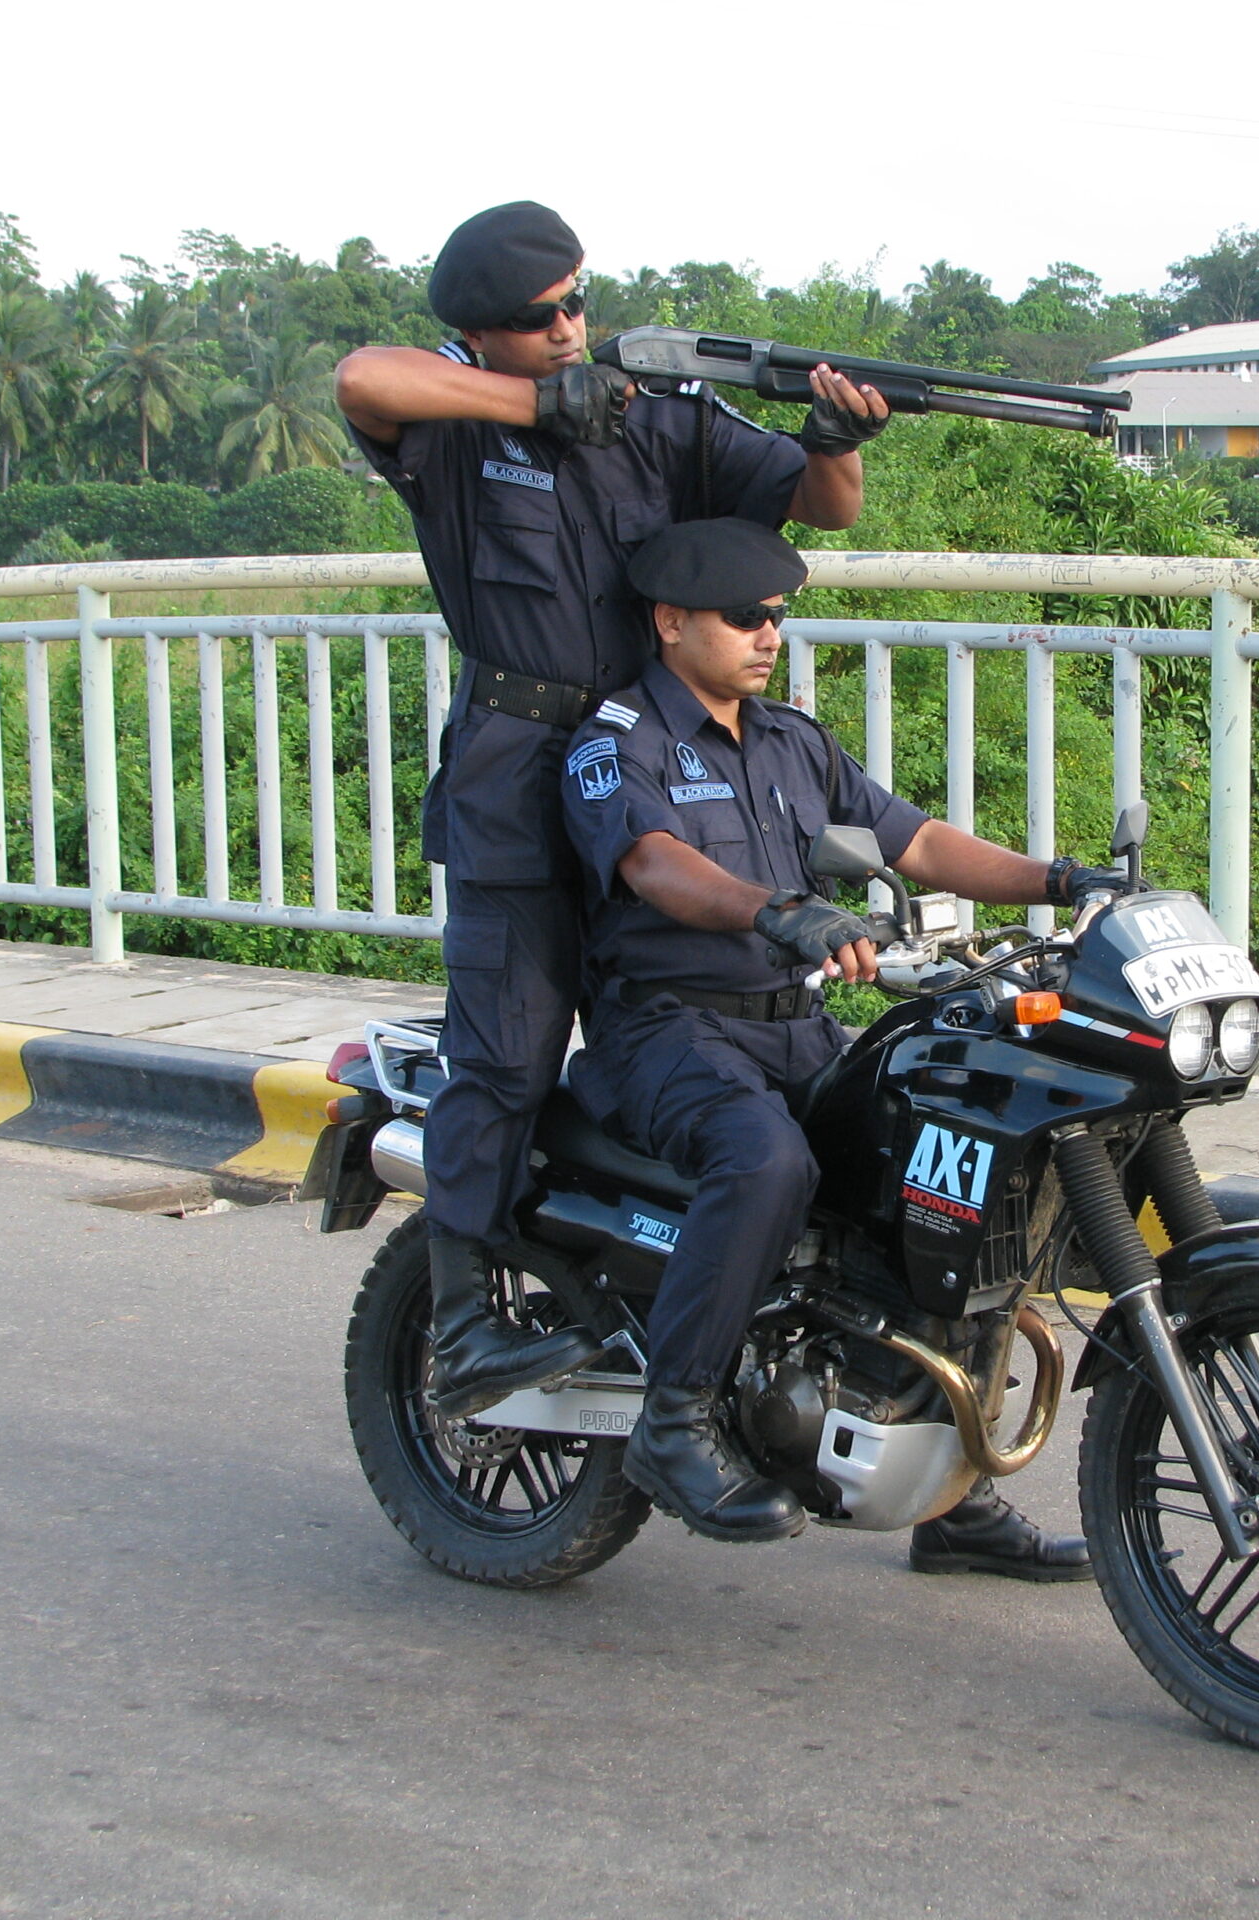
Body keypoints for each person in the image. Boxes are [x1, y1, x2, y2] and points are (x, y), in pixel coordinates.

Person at [334, 203, 889, 1418]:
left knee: (756, 1038)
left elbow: (822, 502)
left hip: (657, 765)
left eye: (581, 302)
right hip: (522, 774)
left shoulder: (660, 421)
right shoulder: (460, 432)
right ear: (484, 334)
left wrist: (837, 436)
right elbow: (363, 377)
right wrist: (535, 405)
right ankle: (469, 1316)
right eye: (543, 320)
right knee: (509, 1049)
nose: (573, 329)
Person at [559, 516, 1127, 1575]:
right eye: (744, 616)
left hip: (795, 1026)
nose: (768, 632)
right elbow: (654, 867)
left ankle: (945, 1498)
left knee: (943, 1173)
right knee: (764, 1160)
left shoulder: (790, 740)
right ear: (671, 620)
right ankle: (671, 1422)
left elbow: (915, 840)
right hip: (664, 1030)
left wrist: (1061, 880)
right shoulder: (619, 739)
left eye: (777, 614)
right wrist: (779, 911)